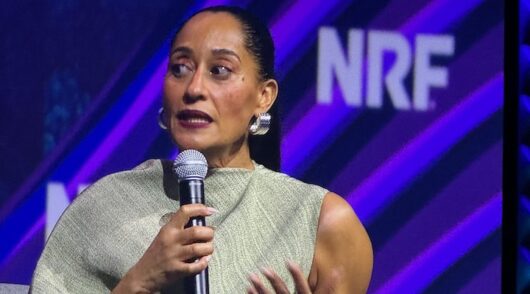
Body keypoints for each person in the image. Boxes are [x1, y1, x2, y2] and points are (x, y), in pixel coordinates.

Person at [31, 6, 373, 293]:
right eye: (180, 68)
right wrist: (138, 281)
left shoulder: (322, 224)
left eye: (220, 70)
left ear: (264, 96)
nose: (193, 88)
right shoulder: (105, 205)